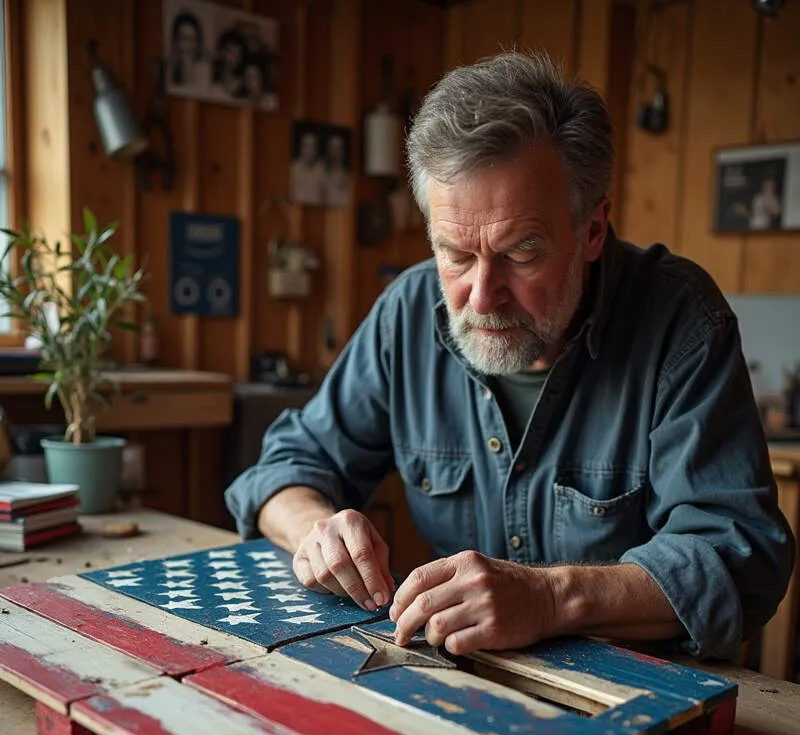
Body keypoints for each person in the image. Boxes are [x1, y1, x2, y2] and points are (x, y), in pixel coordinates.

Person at [226, 51, 793, 662]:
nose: (480, 295)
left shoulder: (681, 321)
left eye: (521, 253)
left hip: (641, 687)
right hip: (457, 676)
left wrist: (550, 599)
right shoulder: (408, 312)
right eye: (455, 254)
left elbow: (739, 556)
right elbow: (285, 467)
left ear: (592, 230)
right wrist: (314, 530)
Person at [167, 10, 210, 91]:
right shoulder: (169, 68)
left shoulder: (203, 69)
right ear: (176, 40)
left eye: (192, 39)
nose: (188, 44)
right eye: (183, 38)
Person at [290, 130, 326, 206]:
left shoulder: (321, 170)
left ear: (316, 149)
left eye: (313, 146)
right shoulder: (294, 168)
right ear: (301, 147)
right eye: (307, 146)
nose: (309, 150)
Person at [323, 132, 351, 207]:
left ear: (343, 151)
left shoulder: (348, 176)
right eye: (333, 148)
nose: (335, 152)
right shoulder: (322, 173)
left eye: (338, 148)